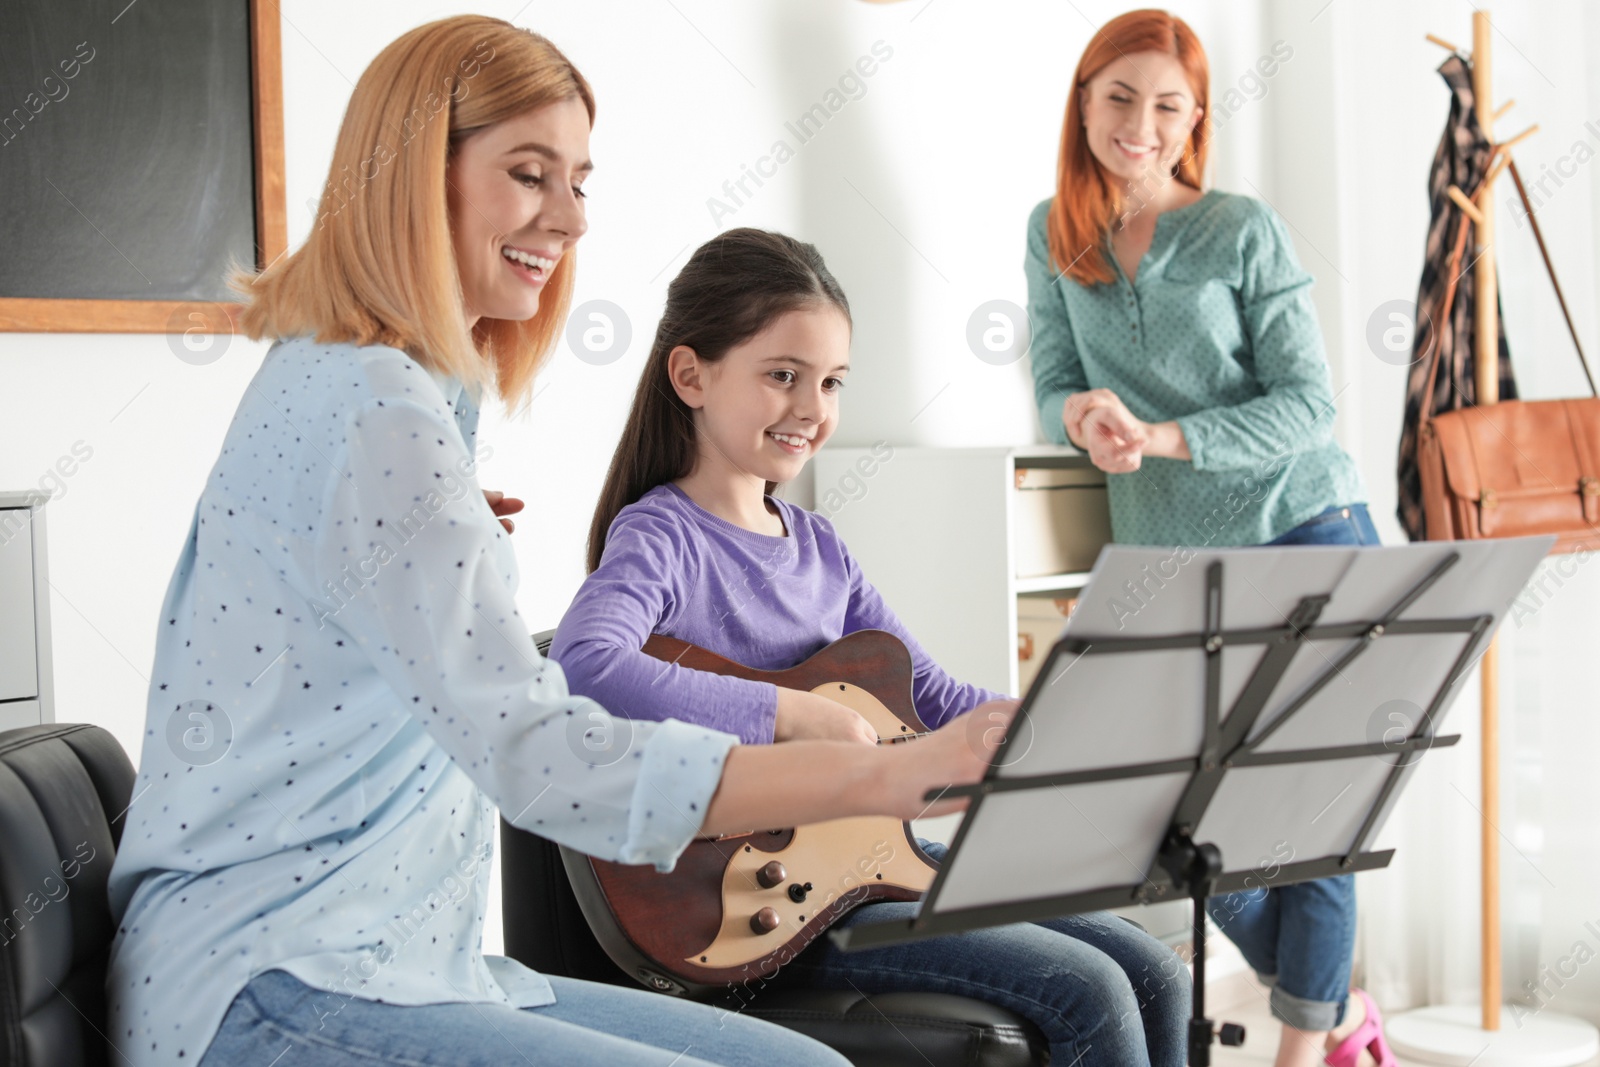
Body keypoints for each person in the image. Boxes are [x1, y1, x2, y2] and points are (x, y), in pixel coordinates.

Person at [104, 18, 1012, 1067]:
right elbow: (538, 752)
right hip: (275, 975)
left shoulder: (390, 388)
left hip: (417, 959)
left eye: (580, 179)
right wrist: (868, 778)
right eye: (530, 174)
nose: (570, 217)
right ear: (409, 176)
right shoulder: (374, 408)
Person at [550, 227, 1193, 1067]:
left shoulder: (821, 547)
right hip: (765, 902)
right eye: (782, 375)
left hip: (873, 861)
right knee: (1092, 988)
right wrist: (790, 715)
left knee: (1155, 970)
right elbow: (582, 664)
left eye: (830, 382)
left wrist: (1073, 730)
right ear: (691, 374)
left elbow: (930, 696)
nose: (811, 408)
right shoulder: (663, 534)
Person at [1023, 9, 1389, 1067]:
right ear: (1084, 101)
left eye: (1168, 106)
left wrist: (1170, 434)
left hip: (1301, 522)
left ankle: (1299, 1048)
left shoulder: (1238, 227)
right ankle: (1331, 1005)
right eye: (1120, 97)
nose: (1141, 124)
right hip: (1169, 554)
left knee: (1301, 814)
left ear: (1194, 121)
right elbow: (1051, 377)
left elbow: (1308, 405)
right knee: (1166, 810)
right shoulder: (1053, 228)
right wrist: (1078, 419)